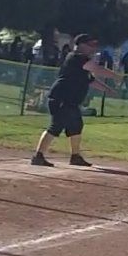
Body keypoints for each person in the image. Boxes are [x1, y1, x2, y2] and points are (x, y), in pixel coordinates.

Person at [31, 35, 113, 167]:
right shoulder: (76, 57)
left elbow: (90, 80)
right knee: (56, 126)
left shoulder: (83, 62)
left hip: (71, 101)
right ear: (80, 45)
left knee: (76, 127)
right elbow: (97, 69)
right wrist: (116, 76)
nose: (92, 48)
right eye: (90, 45)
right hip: (61, 98)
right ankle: (38, 156)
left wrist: (106, 89)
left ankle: (75, 156)